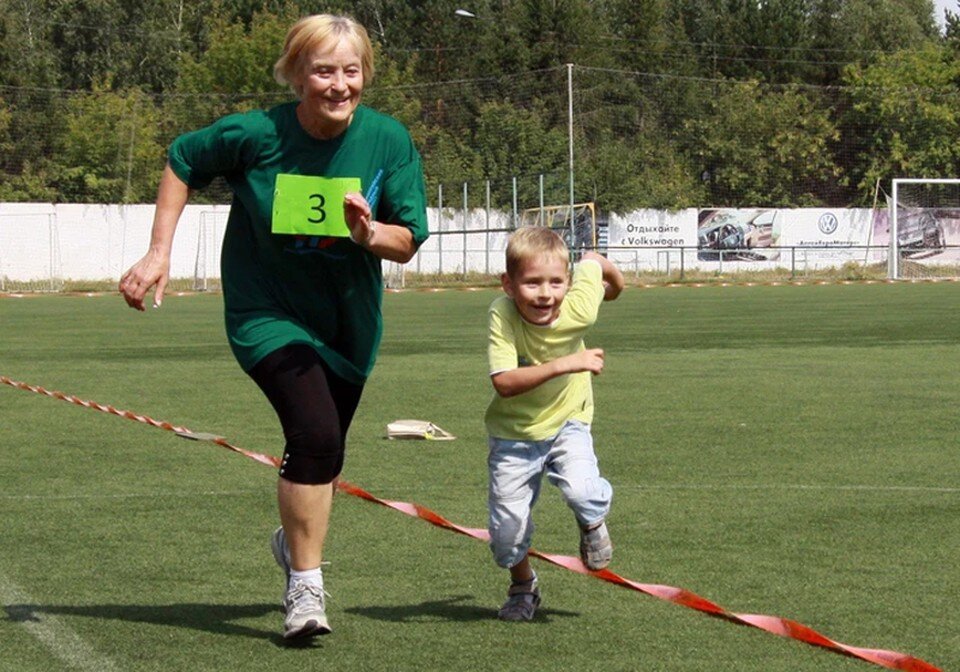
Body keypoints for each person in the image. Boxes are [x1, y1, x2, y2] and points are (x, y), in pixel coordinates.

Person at [119, 14, 429, 640]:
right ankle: (306, 593)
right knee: (313, 436)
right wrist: (158, 251)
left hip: (348, 324)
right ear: (295, 75)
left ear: (365, 73)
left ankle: (292, 545)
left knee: (326, 451)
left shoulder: (388, 141)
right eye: (323, 71)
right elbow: (183, 158)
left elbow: (408, 240)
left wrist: (368, 233)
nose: (339, 85)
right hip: (266, 313)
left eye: (351, 71)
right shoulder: (256, 134)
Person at [485, 226, 624, 621]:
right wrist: (568, 363)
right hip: (514, 434)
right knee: (506, 538)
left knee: (583, 492)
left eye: (555, 282)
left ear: (568, 281)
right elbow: (504, 383)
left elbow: (595, 264)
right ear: (509, 285)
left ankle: (592, 521)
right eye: (532, 283)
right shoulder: (502, 313)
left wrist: (615, 282)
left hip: (569, 421)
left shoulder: (580, 305)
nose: (545, 293)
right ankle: (523, 584)